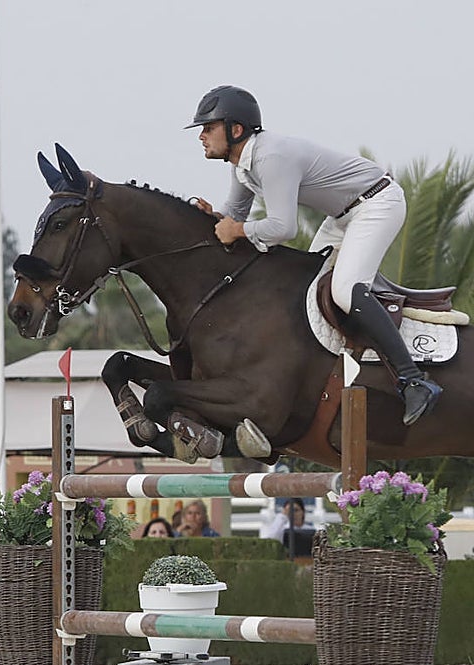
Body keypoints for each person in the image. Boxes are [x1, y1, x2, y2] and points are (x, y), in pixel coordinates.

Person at [186, 84, 441, 426]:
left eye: (208, 127)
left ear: (236, 130)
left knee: (345, 289)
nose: (202, 136)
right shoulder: (241, 165)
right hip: (343, 216)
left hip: (377, 203)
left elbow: (282, 228)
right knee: (304, 290)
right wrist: (214, 219)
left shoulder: (270, 156)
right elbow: (234, 216)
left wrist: (237, 230)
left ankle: (414, 380)